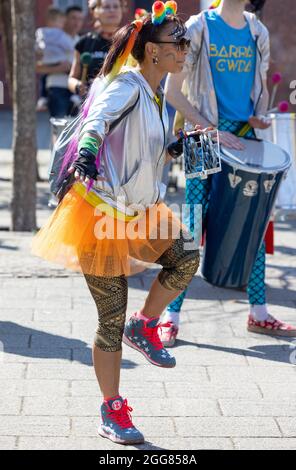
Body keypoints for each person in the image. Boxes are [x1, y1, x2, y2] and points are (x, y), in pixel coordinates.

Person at [32, 1, 201, 446]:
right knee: (109, 316)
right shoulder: (126, 83)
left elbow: (138, 149)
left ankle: (144, 325)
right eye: (177, 44)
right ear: (151, 51)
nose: (184, 50)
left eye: (185, 43)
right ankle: (113, 410)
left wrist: (173, 149)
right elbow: (98, 118)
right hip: (99, 213)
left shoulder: (154, 92)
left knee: (185, 258)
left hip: (140, 210)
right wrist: (87, 149)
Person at [161, 0, 296, 347]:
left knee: (256, 220)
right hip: (203, 137)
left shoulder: (257, 30)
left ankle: (259, 312)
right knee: (191, 224)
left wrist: (259, 114)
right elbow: (172, 93)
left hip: (244, 138)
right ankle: (169, 315)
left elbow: (259, 88)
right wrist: (211, 128)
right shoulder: (197, 28)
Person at [68, 0, 125, 98]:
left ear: (121, 10)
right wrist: (78, 86)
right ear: (95, 12)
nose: (112, 10)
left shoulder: (130, 42)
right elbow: (71, 79)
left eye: (116, 7)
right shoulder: (84, 42)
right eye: (106, 7)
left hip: (122, 104)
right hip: (91, 106)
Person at [36, 6, 84, 118]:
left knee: (73, 128)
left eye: (80, 19)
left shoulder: (81, 41)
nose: (77, 22)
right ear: (65, 19)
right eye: (73, 18)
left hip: (76, 90)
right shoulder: (52, 39)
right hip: (57, 86)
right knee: (58, 125)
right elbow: (36, 66)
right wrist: (58, 68)